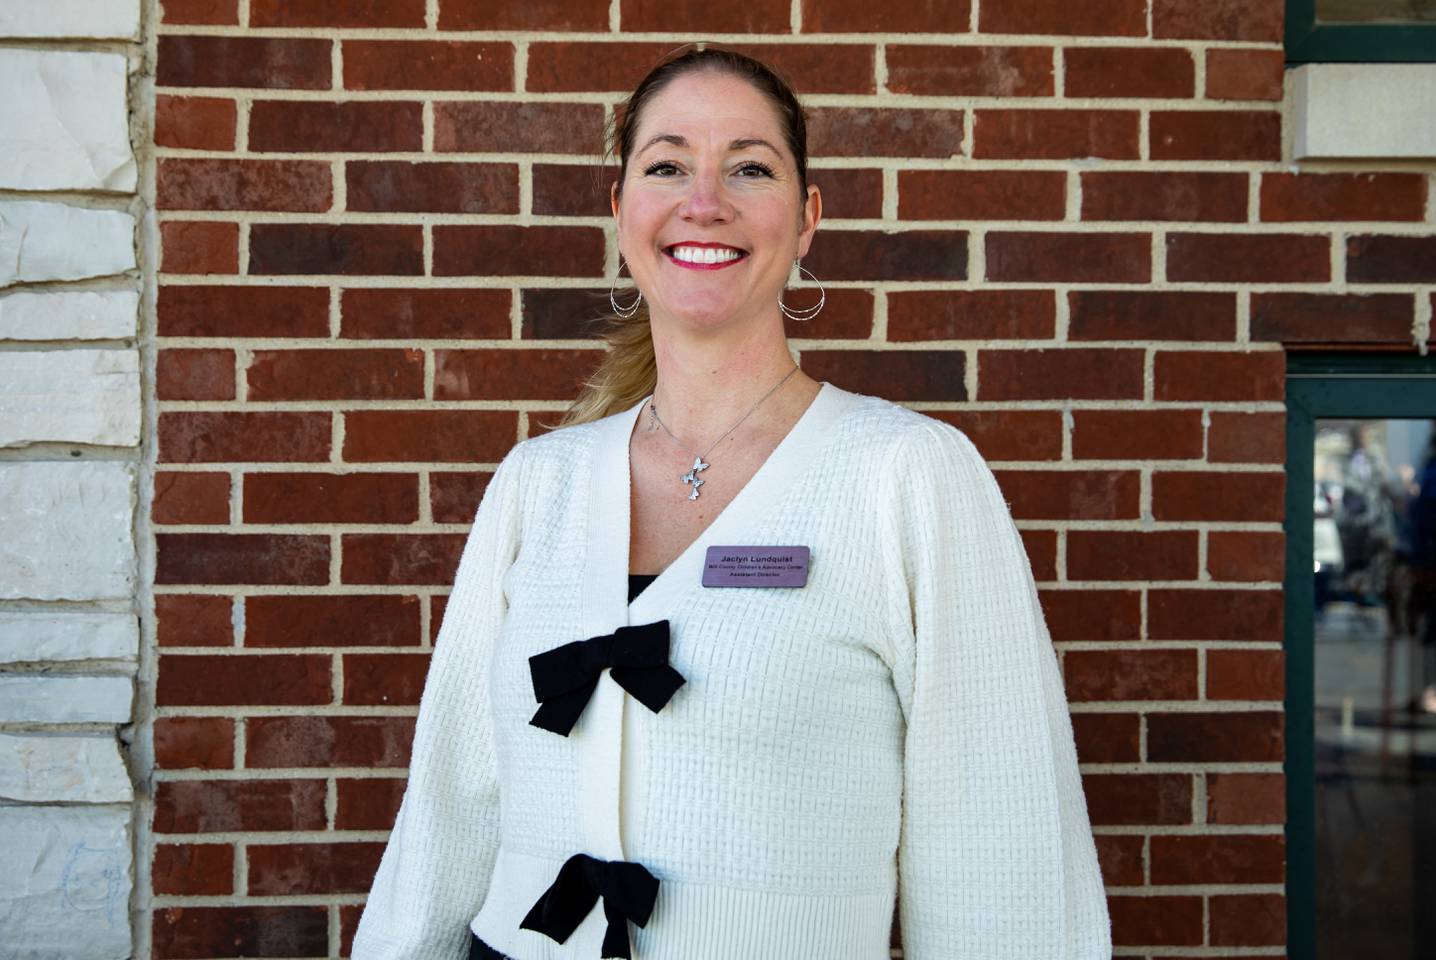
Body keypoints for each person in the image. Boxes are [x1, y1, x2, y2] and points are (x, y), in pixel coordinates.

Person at [353, 45, 1110, 960]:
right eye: (666, 166)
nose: (702, 201)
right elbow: (450, 803)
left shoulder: (905, 475)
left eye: (750, 168)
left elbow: (1002, 837)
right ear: (622, 211)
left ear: (805, 221)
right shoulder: (538, 482)